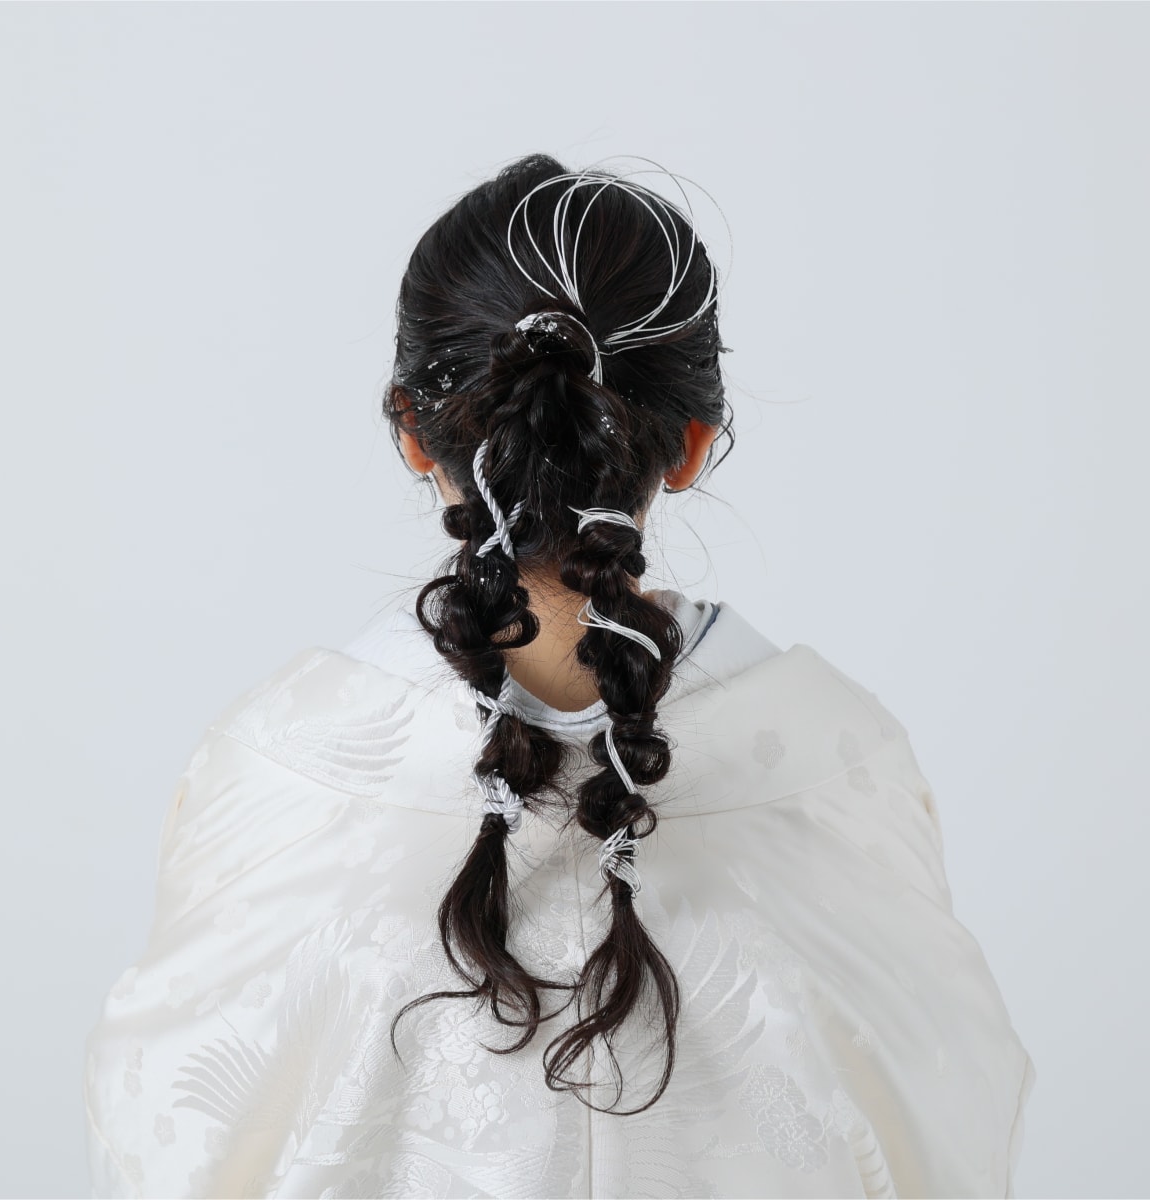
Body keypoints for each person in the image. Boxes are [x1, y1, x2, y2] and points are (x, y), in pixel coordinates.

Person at [81, 153, 1036, 1198]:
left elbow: (169, 1140)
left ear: (411, 432)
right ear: (692, 446)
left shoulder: (279, 771)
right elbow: (950, 1129)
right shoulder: (841, 766)